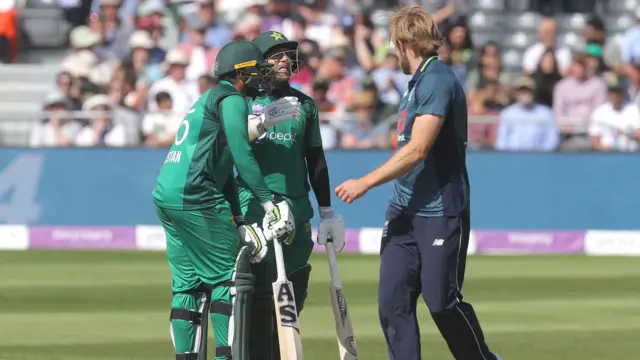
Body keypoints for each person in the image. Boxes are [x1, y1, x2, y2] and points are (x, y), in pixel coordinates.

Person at [335, 6, 500, 360]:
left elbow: (418, 149)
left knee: (441, 302)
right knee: (393, 303)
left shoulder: (438, 80)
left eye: (395, 44)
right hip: (403, 210)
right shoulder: (417, 83)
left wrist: (365, 182)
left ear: (404, 42)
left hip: (440, 209)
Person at [152, 40, 298, 360]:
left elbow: (225, 169)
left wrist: (241, 219)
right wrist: (268, 203)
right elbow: (242, 154)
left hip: (167, 194)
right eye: (257, 72)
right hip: (196, 195)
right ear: (240, 74)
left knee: (188, 286)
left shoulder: (207, 97)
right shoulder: (231, 99)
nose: (263, 78)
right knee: (227, 280)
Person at [241, 30, 346, 360]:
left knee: (292, 296)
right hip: (257, 210)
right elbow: (232, 144)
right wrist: (261, 122)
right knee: (258, 297)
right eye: (276, 54)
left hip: (297, 211)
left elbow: (315, 161)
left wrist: (327, 211)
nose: (285, 59)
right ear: (259, 62)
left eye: (289, 53)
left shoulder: (305, 105)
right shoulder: (242, 99)